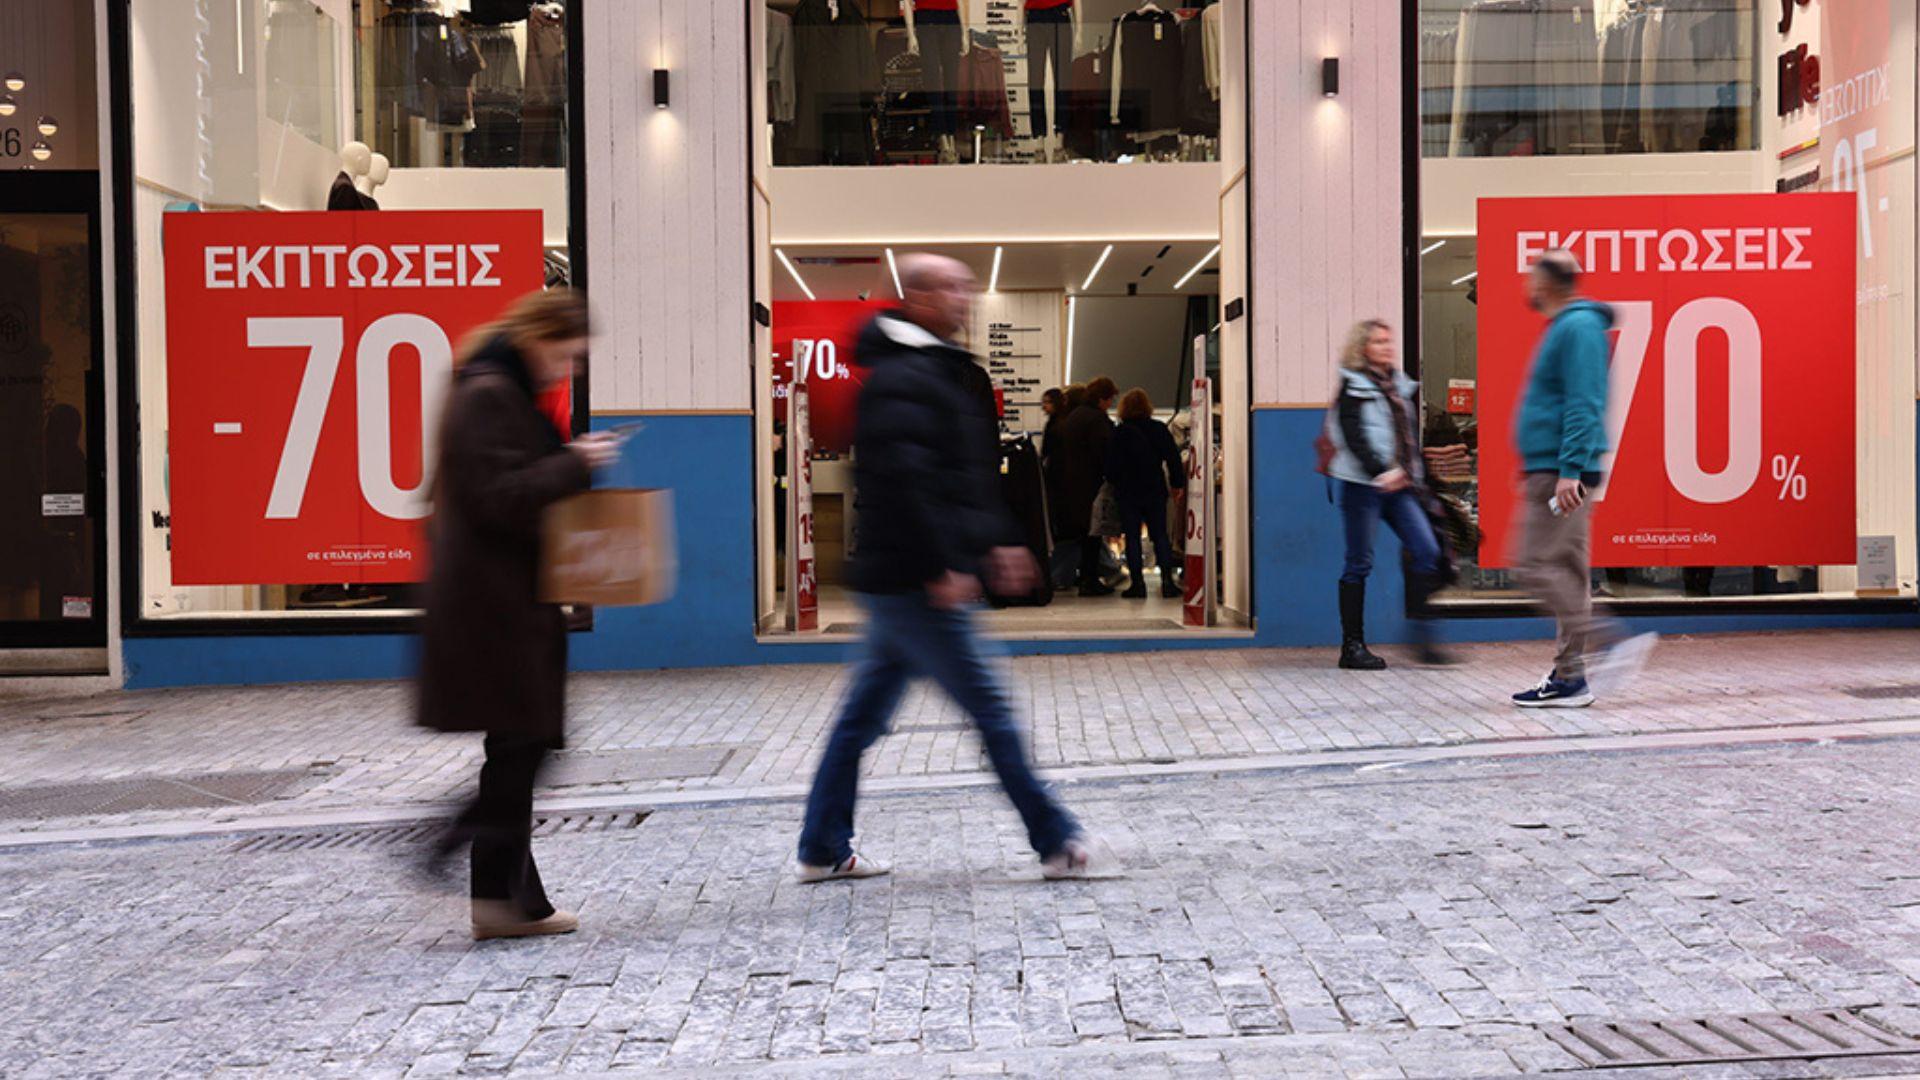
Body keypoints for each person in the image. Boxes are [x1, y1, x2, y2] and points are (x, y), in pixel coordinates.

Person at [796, 253, 1097, 882]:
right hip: (915, 579)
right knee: (990, 708)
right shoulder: (905, 375)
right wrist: (945, 562)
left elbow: (960, 475)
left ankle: (822, 847)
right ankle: (1056, 840)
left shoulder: (929, 367)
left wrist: (996, 542)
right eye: (954, 288)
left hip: (901, 577)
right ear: (920, 298)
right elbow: (908, 477)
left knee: (860, 720)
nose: (967, 297)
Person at [417, 289, 623, 940]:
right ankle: (451, 844)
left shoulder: (500, 391)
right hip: (494, 607)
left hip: (507, 602)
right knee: (521, 748)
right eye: (568, 354)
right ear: (539, 337)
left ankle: (503, 901)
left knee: (520, 747)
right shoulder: (489, 394)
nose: (570, 369)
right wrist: (575, 463)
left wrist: (571, 464)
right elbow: (499, 498)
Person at [1509, 249, 1656, 707]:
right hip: (1557, 468)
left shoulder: (1577, 327)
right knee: (1570, 575)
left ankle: (1610, 641)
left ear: (1547, 283)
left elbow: (1584, 401)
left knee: (1531, 564)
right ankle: (1569, 679)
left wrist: (1568, 470)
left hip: (1561, 472)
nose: (1527, 285)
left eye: (1532, 277)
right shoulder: (1570, 326)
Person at [1324, 320, 1453, 669]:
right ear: (1363, 348)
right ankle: (1352, 647)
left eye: (1388, 340)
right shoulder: (1353, 387)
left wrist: (1419, 478)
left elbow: (1406, 438)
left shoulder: (1399, 386)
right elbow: (1351, 436)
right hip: (1362, 486)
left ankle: (1422, 639)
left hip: (1401, 486)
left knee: (1427, 550)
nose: (1386, 346)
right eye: (1378, 341)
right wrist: (1381, 470)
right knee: (1359, 563)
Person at [1103, 388, 1185, 599]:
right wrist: (1177, 484)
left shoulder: (1120, 433)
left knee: (1132, 537)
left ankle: (1137, 584)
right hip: (1154, 488)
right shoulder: (1158, 429)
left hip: (1128, 491)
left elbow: (1110, 466)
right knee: (1160, 536)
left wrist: (1116, 482)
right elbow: (1173, 458)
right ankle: (1167, 582)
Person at [1053, 376, 1119, 596]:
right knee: (1093, 534)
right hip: (1091, 484)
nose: (1110, 404)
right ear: (1101, 398)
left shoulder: (1074, 417)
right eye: (1109, 399)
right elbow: (1104, 453)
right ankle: (1090, 581)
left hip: (1071, 485)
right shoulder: (1097, 420)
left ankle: (1085, 578)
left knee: (1083, 534)